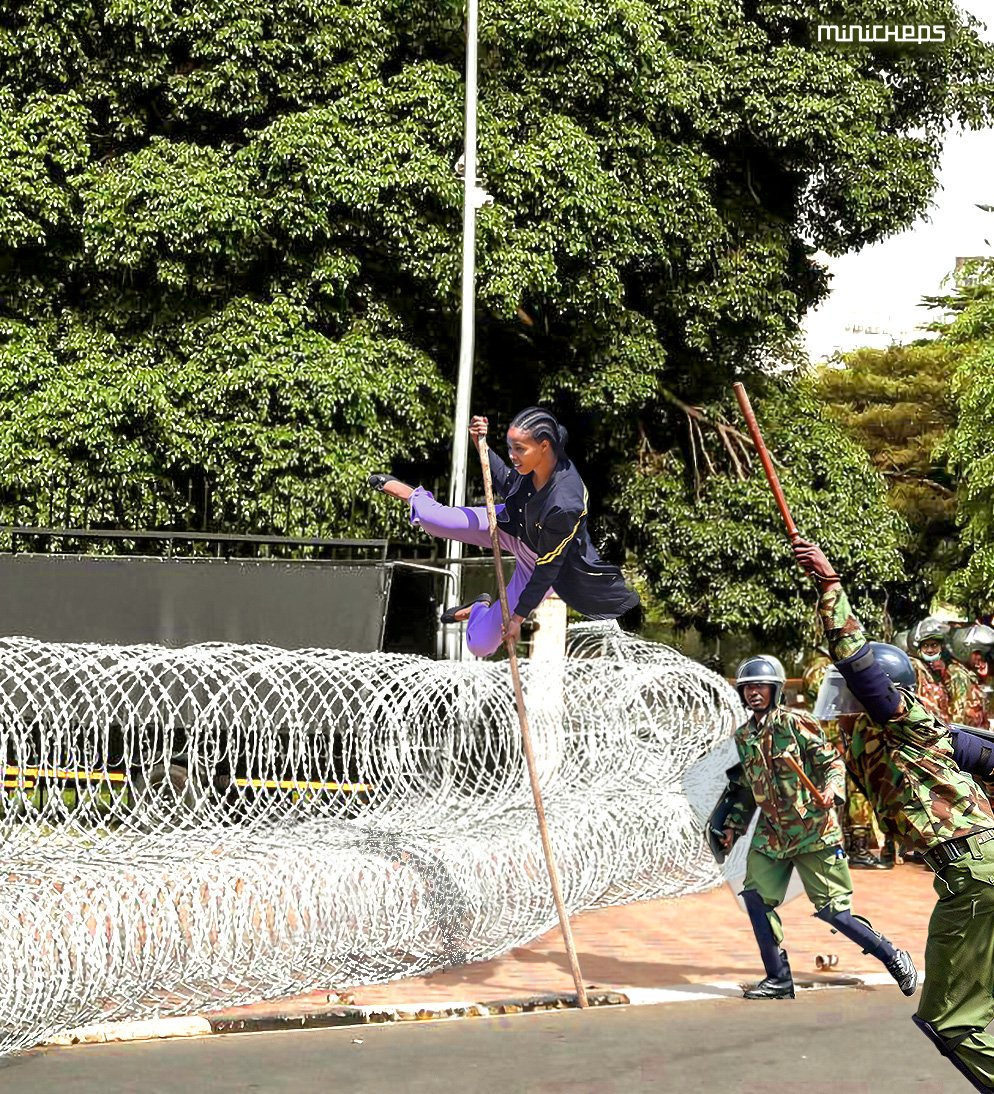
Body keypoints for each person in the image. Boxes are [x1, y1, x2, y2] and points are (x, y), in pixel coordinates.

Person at [794, 538, 994, 1091]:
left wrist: (830, 586)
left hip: (976, 874)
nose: (846, 709)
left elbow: (858, 666)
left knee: (951, 1019)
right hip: (978, 867)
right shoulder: (912, 736)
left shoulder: (897, 718)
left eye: (854, 697)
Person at [368, 407, 639, 657]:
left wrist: (517, 619)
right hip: (506, 526)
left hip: (537, 571)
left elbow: (547, 573)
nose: (513, 455)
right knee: (432, 519)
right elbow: (503, 479)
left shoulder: (568, 528)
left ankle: (477, 609)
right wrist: (480, 442)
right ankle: (410, 494)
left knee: (481, 644)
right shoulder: (544, 482)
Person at [721, 655, 916, 1001]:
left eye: (760, 687)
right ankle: (778, 978)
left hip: (814, 829)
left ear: (775, 690)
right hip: (773, 834)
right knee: (755, 897)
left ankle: (892, 956)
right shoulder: (745, 736)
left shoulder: (798, 724)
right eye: (748, 687)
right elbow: (749, 788)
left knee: (834, 911)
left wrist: (831, 788)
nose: (754, 693)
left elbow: (831, 761)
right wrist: (734, 825)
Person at [910, 618, 986, 728]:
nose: (930, 650)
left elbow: (961, 713)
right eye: (925, 646)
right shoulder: (916, 667)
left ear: (942, 647)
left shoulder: (954, 672)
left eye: (934, 645)